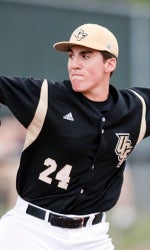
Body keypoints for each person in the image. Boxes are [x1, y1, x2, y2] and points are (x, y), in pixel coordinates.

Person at [0, 23, 149, 250]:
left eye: (85, 56)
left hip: (92, 236)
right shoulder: (48, 96)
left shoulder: (135, 109)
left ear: (110, 64)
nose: (75, 64)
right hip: (30, 231)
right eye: (71, 56)